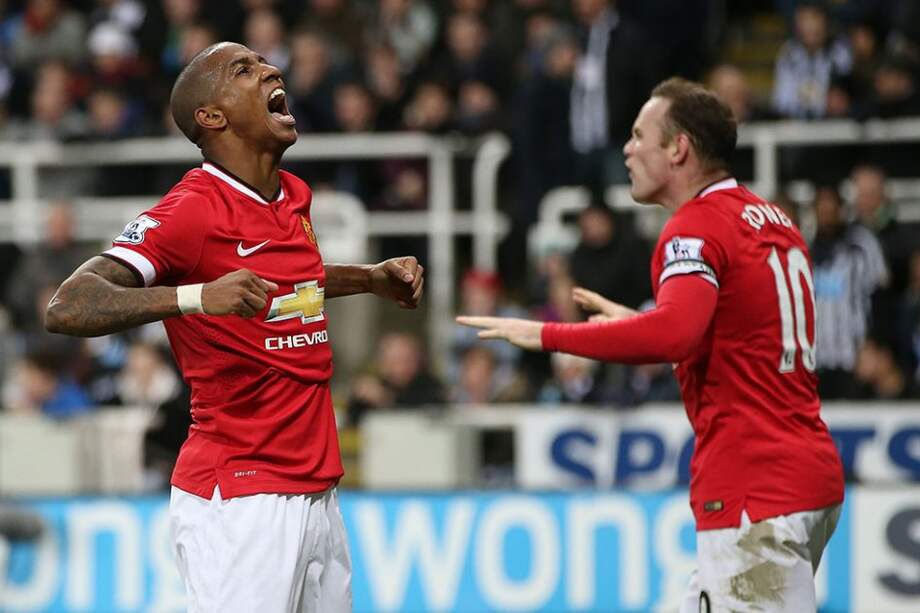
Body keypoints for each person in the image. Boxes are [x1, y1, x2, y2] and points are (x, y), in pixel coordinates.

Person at [45, 42, 425, 613]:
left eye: (265, 63)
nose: (271, 69)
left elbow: (288, 282)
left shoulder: (290, 197)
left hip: (315, 489)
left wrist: (367, 278)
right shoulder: (190, 210)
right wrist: (198, 297)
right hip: (242, 494)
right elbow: (68, 306)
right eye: (243, 70)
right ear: (211, 116)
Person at [459, 77, 844, 612]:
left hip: (753, 487)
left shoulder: (694, 228)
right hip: (806, 473)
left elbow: (673, 334)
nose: (628, 148)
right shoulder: (770, 219)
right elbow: (739, 330)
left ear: (678, 148)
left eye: (641, 135)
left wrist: (550, 334)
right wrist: (637, 320)